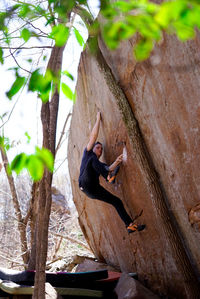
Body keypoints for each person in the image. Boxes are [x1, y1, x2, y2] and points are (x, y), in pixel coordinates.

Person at [78, 112, 145, 234]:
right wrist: (98, 119)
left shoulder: (99, 164)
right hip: (84, 182)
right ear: (92, 148)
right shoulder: (88, 154)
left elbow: (108, 168)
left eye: (101, 149)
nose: (100, 150)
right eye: (98, 147)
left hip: (93, 190)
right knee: (94, 160)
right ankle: (109, 178)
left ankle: (129, 225)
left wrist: (117, 161)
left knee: (117, 201)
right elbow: (93, 136)